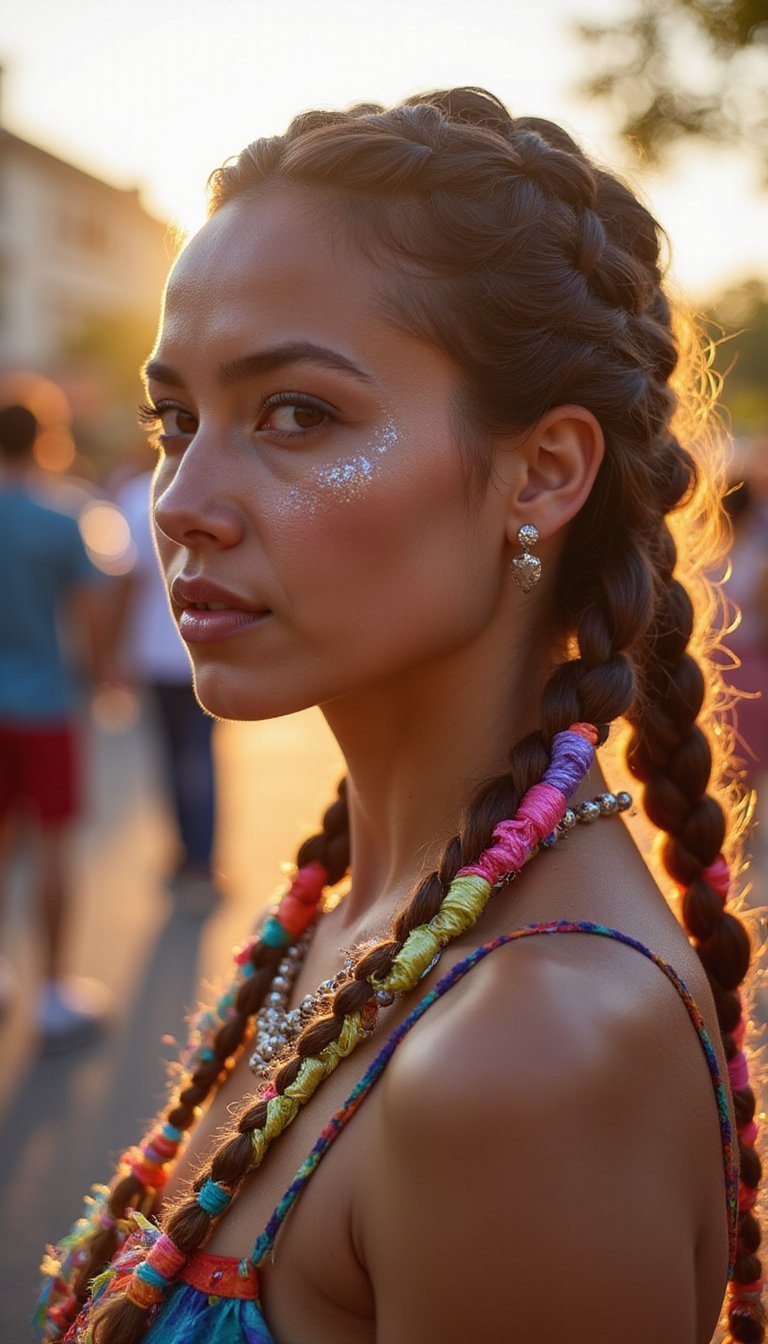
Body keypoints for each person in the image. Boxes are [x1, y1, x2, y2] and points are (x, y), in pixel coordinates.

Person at [37, 89, 763, 1343]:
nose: (182, 499)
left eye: (297, 413)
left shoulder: (533, 1063)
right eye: (175, 421)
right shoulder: (379, 902)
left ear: (542, 472)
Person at [0, 404, 110, 1049]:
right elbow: (91, 613)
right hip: (44, 705)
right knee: (52, 846)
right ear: (44, 439)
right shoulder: (63, 517)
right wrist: (102, 681)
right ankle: (51, 992)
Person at [112, 458, 220, 913]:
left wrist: (116, 648)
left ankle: (189, 855)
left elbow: (125, 583)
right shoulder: (208, 486)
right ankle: (199, 859)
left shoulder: (138, 496)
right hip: (197, 647)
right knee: (198, 757)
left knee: (175, 756)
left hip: (157, 651)